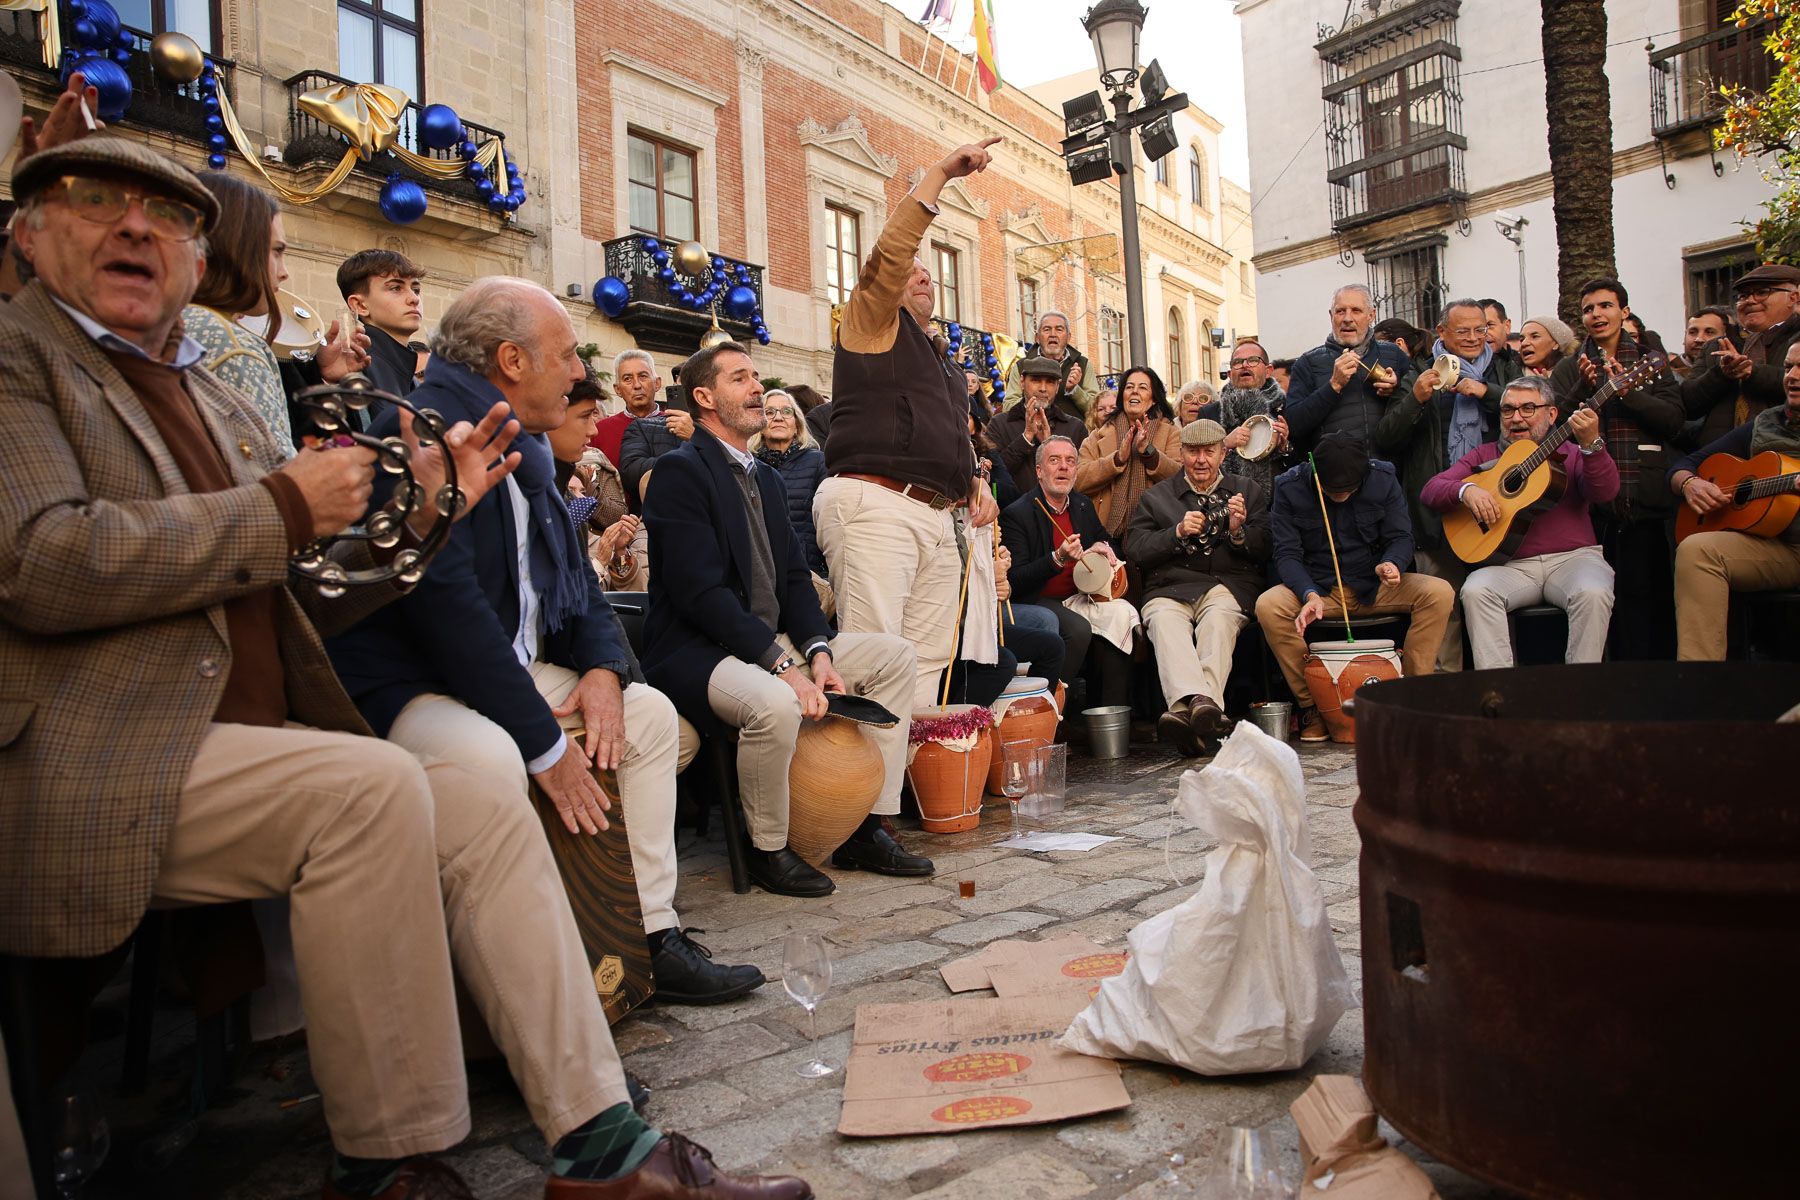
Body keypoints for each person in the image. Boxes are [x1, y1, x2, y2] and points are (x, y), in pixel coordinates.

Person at [0, 137, 807, 1200]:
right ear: (30, 233)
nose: (137, 227)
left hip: (260, 727)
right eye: (95, 199)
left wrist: (427, 517)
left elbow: (313, 589)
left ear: (198, 263)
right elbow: (36, 561)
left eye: (170, 215)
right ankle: (397, 1160)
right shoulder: (25, 359)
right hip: (102, 741)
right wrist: (290, 508)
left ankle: (600, 1140)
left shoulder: (222, 400)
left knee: (481, 786)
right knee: (404, 780)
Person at [324, 277, 765, 1008]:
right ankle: (520, 995)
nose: (578, 375)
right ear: (511, 360)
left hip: (501, 667)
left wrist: (599, 667)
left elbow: (579, 585)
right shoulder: (430, 431)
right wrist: (547, 749)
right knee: (493, 756)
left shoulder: (524, 445)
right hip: (416, 682)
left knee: (647, 714)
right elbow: (448, 612)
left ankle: (650, 936)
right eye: (566, 355)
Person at [641, 342, 919, 895]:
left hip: (775, 641)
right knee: (774, 702)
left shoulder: (765, 478)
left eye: (755, 375)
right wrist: (784, 666)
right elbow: (701, 596)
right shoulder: (678, 472)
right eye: (740, 378)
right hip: (700, 651)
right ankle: (767, 848)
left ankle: (866, 824)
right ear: (704, 397)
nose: (756, 388)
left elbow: (794, 579)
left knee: (895, 656)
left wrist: (817, 651)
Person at [814, 137, 1001, 727]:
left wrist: (974, 479)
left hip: (936, 514)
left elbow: (946, 432)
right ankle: (859, 806)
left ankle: (906, 795)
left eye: (929, 273)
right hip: (876, 502)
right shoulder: (870, 320)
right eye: (912, 270)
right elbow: (892, 252)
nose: (922, 275)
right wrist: (941, 174)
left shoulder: (939, 357)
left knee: (926, 662)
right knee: (875, 655)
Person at [1256, 433, 1454, 742]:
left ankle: (1411, 696)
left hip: (1374, 585)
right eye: (1332, 490)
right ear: (1315, 472)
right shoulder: (1289, 487)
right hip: (1318, 589)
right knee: (1269, 606)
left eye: (1348, 490)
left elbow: (1401, 536)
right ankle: (1314, 706)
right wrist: (1307, 593)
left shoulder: (1383, 477)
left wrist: (1392, 563)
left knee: (1439, 592)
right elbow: (1287, 553)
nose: (1340, 496)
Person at [1421, 376, 1617, 668]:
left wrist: (1592, 446)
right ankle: (1500, 693)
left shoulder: (1574, 454)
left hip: (1573, 560)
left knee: (1594, 591)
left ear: (1551, 414)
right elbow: (1431, 490)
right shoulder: (1485, 455)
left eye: (1528, 408)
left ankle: (1581, 691)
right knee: (1476, 590)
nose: (1516, 418)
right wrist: (1466, 490)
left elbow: (1605, 493)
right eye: (1508, 410)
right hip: (1510, 566)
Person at [1374, 298, 1517, 671]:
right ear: (1441, 333)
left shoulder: (1505, 367)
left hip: (1500, 505)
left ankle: (1501, 687)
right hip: (1436, 513)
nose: (1473, 338)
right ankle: (1445, 692)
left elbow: (1532, 417)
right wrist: (1417, 399)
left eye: (1480, 330)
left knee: (1498, 606)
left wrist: (1487, 394)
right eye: (1462, 331)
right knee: (1445, 608)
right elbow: (1387, 438)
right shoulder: (1418, 372)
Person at [1549, 277, 1686, 660]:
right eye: (1589, 309)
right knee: (1599, 603)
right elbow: (1554, 430)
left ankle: (1651, 686)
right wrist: (1583, 387)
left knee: (1648, 596)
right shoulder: (1568, 367)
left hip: (1643, 496)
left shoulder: (1651, 360)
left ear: (1623, 312)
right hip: (1590, 504)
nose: (1597, 315)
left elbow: (1674, 420)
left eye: (1605, 306)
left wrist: (1631, 394)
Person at [1129, 420, 1270, 757]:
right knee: (1163, 622)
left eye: (1209, 451)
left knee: (1219, 620)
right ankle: (1204, 709)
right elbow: (1135, 548)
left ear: (1223, 452)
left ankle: (1182, 713)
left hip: (1226, 584)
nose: (1201, 459)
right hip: (1169, 587)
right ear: (1182, 453)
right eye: (1193, 451)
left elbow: (1266, 546)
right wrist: (1175, 533)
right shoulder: (1157, 497)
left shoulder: (1247, 490)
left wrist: (1238, 532)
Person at [1667, 339, 1800, 660]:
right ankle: (1701, 683)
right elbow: (1686, 463)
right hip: (1780, 547)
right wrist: (1690, 484)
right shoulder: (1766, 422)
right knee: (1697, 551)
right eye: (1788, 367)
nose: (1792, 376)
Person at [999, 436, 1135, 712]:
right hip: (1039, 598)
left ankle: (1106, 715)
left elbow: (1108, 540)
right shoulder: (1019, 513)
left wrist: (1103, 546)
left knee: (1123, 615)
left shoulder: (1082, 505)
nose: (1063, 467)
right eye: (1054, 460)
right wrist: (1056, 558)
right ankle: (1050, 709)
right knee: (1077, 629)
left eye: (1070, 461)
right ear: (1039, 471)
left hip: (1081, 595)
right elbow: (1016, 580)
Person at [181, 172, 294, 459]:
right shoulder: (233, 346)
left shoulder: (169, 323)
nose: (284, 272)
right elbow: (276, 472)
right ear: (238, 248)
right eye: (277, 251)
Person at [1680, 265, 1800, 449]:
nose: (1750, 301)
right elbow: (1687, 404)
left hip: (1784, 454)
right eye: (1743, 296)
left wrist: (1751, 372)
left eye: (1762, 292)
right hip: (1720, 461)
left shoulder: (1796, 340)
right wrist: (1721, 374)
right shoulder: (1718, 345)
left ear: (1793, 297)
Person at [1285, 284, 1411, 453]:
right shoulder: (1307, 363)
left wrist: (1396, 390)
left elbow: (1416, 406)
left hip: (1388, 470)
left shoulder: (1394, 355)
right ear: (1331, 316)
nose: (1347, 318)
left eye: (1356, 310)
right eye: (1340, 311)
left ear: (1371, 315)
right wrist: (1333, 386)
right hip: (1335, 473)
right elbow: (1293, 425)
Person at [550, 375, 645, 592]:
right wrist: (599, 562)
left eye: (582, 491)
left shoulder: (577, 518)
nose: (594, 430)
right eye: (585, 416)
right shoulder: (533, 499)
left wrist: (620, 553)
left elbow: (630, 595)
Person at [1075, 364, 1181, 554]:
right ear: (1121, 395)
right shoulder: (1097, 436)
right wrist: (1116, 460)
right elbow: (1078, 480)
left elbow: (1180, 478)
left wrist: (1149, 452)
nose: (1134, 392)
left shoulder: (1172, 434)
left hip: (1156, 533)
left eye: (1142, 387)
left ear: (1154, 397)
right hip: (1106, 535)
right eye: (1129, 387)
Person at [750, 388, 828, 575]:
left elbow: (827, 523)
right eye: (769, 412)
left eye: (787, 411)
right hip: (761, 572)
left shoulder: (818, 462)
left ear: (797, 425)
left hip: (807, 572)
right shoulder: (748, 464)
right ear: (759, 424)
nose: (778, 418)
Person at [336, 247, 426, 402]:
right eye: (396, 288)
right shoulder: (357, 372)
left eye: (416, 290)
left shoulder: (411, 380)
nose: (414, 299)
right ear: (360, 305)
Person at [985, 355, 1088, 484]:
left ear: (1057, 387)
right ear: (1022, 382)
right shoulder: (999, 424)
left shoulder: (1075, 427)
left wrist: (1051, 448)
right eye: (1036, 380)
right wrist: (1026, 438)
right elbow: (992, 475)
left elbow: (1082, 478)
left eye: (1050, 382)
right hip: (1013, 504)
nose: (1043, 388)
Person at [1214, 337, 1290, 501]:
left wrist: (1284, 447)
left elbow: (1303, 462)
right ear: (1229, 373)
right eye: (1238, 362)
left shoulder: (1286, 407)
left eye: (1253, 360)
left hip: (1277, 504)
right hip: (1224, 501)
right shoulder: (1211, 412)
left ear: (1268, 370)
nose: (1245, 365)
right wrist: (1225, 444)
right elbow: (1198, 461)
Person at [1003, 309, 1097, 419]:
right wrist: (1033, 400)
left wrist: (1075, 390)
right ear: (1037, 337)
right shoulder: (1022, 366)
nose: (1053, 334)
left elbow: (1097, 409)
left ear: (1068, 337)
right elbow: (1007, 407)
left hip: (1072, 434)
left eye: (1059, 330)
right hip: (1031, 432)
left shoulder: (1083, 364)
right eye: (1047, 329)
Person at [591, 349, 666, 468]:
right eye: (627, 379)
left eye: (643, 376)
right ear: (617, 389)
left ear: (657, 383)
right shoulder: (600, 431)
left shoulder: (676, 424)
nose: (637, 385)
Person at [1674, 305, 1738, 378]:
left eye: (1710, 332)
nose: (1699, 339)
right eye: (1692, 332)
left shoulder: (1741, 372)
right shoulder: (1665, 375)